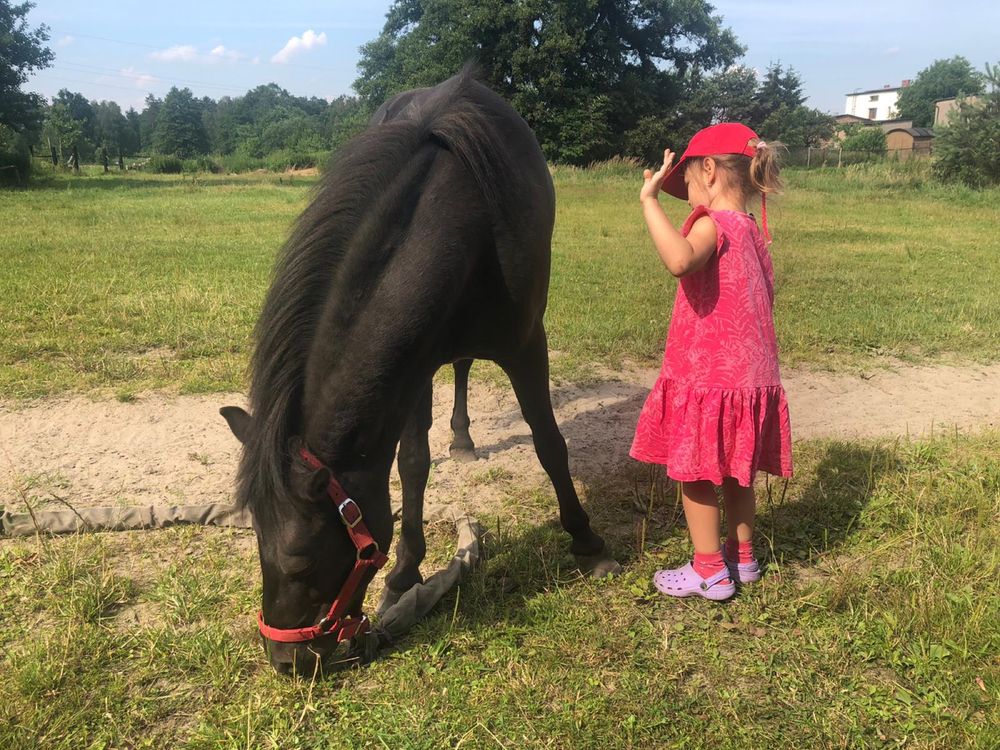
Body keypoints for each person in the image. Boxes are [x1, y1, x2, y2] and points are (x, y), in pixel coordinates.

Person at [631, 122, 793, 601]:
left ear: (708, 170)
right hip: (749, 377)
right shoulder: (752, 232)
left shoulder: (711, 224)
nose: (691, 196)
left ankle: (708, 571)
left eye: (690, 185)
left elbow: (680, 261)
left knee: (696, 470)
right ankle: (743, 559)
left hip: (707, 375)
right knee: (737, 471)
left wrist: (649, 202)